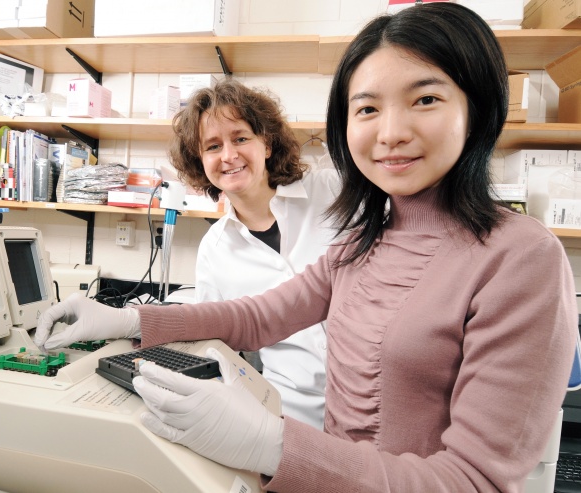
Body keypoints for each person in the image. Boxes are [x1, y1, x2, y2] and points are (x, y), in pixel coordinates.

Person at [34, 3, 578, 492]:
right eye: (367, 109)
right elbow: (259, 316)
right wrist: (126, 321)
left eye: (426, 99)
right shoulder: (365, 239)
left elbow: (474, 481)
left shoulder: (521, 258)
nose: (390, 132)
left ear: (477, 109)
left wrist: (271, 444)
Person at [167, 78, 340, 430]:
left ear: (267, 144)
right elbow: (216, 345)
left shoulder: (333, 192)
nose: (228, 156)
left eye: (241, 138)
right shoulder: (215, 249)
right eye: (212, 146)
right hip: (292, 419)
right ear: (200, 162)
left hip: (372, 406)